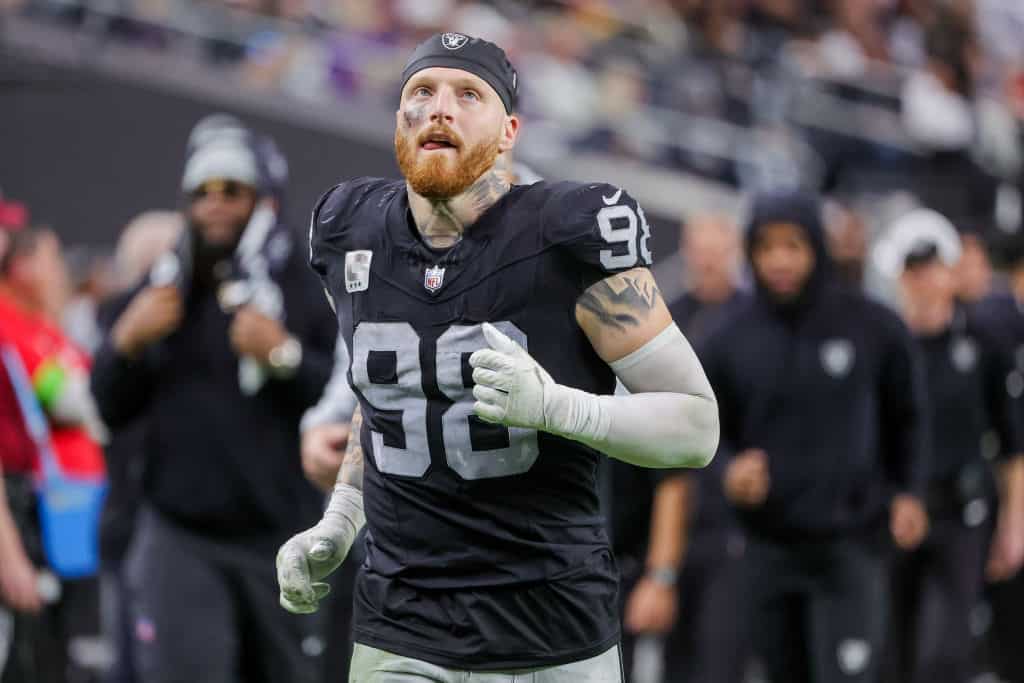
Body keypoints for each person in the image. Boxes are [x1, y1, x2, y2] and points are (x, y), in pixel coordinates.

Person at [276, 32, 720, 681]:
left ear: (510, 130)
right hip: (403, 621)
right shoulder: (349, 229)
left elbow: (695, 425)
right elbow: (388, 399)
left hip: (551, 629)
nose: (439, 108)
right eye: (420, 92)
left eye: (467, 94)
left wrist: (556, 406)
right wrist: (340, 520)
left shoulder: (569, 231)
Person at [90, 119, 337, 683]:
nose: (215, 206)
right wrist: (126, 341)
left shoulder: (306, 288)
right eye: (202, 193)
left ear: (264, 197)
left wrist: (284, 356)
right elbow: (109, 407)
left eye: (232, 190)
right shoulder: (163, 288)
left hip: (282, 540)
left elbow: (342, 395)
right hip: (181, 537)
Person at [699, 191, 931, 683]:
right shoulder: (727, 338)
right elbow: (705, 431)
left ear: (817, 250)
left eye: (794, 246)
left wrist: (909, 492)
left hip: (850, 547)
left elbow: (908, 418)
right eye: (767, 247)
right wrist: (728, 469)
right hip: (766, 548)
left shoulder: (874, 327)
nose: (780, 260)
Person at [884, 209, 1024, 683]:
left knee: (945, 656)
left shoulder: (985, 342)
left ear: (951, 271)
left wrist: (1014, 525)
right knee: (890, 653)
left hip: (962, 517)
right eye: (913, 271)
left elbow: (1012, 443)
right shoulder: (883, 344)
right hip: (895, 514)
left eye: (931, 268)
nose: (923, 283)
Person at [0, 225, 107, 683]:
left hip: (72, 505)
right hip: (31, 503)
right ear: (21, 267)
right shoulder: (10, 322)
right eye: (50, 259)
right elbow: (73, 400)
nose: (60, 271)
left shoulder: (45, 323)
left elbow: (91, 393)